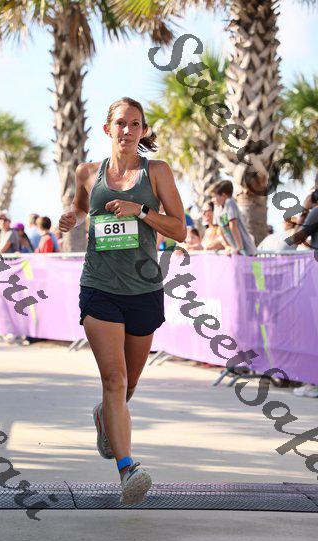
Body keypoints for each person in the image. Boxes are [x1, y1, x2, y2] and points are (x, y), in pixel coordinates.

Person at [58, 96, 186, 505]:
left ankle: (103, 416)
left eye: (135, 124)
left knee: (127, 385)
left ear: (143, 130)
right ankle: (127, 469)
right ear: (107, 128)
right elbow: (81, 208)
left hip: (144, 290)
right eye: (120, 123)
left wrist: (141, 210)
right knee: (113, 380)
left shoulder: (157, 171)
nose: (127, 130)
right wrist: (72, 218)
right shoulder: (87, 172)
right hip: (99, 288)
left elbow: (179, 229)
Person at [211, 180, 256, 256]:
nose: (212, 200)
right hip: (234, 250)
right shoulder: (217, 207)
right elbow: (220, 229)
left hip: (246, 249)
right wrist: (227, 246)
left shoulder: (230, 202)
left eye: (214, 196)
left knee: (251, 264)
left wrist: (239, 247)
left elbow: (233, 225)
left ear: (224, 195)